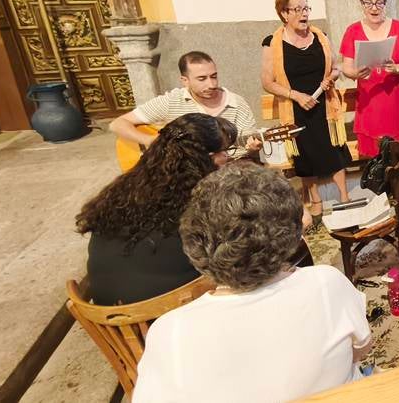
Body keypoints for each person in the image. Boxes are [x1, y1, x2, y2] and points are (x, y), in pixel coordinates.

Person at [133, 163, 372, 402]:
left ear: (194, 240)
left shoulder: (170, 331)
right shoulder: (325, 283)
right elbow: (361, 348)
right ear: (292, 234)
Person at [76, 113, 237, 305]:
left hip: (109, 316)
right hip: (164, 316)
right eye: (222, 151)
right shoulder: (200, 203)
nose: (226, 157)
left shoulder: (126, 188)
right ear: (200, 157)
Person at [261, 0, 349, 215]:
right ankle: (316, 201)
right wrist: (296, 96)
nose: (304, 14)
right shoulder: (272, 43)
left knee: (335, 149)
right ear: (284, 13)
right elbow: (267, 82)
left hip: (324, 105)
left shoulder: (321, 37)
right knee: (305, 154)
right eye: (297, 9)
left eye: (306, 8)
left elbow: (336, 65)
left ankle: (345, 198)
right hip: (296, 107)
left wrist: (332, 77)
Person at [109, 51, 260, 156]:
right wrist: (150, 141)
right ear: (185, 81)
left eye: (214, 76)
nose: (211, 84)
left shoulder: (236, 103)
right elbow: (117, 124)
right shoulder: (172, 101)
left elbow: (249, 146)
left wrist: (253, 148)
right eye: (202, 79)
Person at [340, 0, 399, 157]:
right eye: (368, 3)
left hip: (396, 99)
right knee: (376, 159)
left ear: (385, 3)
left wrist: (397, 68)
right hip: (371, 101)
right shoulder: (353, 31)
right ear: (362, 4)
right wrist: (356, 73)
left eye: (378, 3)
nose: (374, 8)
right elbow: (346, 68)